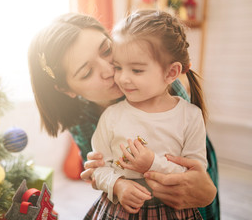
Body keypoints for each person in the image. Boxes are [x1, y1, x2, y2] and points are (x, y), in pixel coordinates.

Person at [28, 12, 219, 219]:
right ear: (66, 90)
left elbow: (195, 175)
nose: (110, 70)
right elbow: (102, 171)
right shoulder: (81, 117)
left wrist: (205, 192)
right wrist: (106, 178)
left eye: (106, 50)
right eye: (86, 73)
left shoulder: (164, 88)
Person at [87, 9, 207, 219]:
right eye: (118, 67)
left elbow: (194, 176)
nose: (123, 79)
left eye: (137, 70)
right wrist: (118, 185)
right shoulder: (112, 116)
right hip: (120, 210)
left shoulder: (190, 116)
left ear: (171, 73)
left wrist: (152, 164)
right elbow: (98, 169)